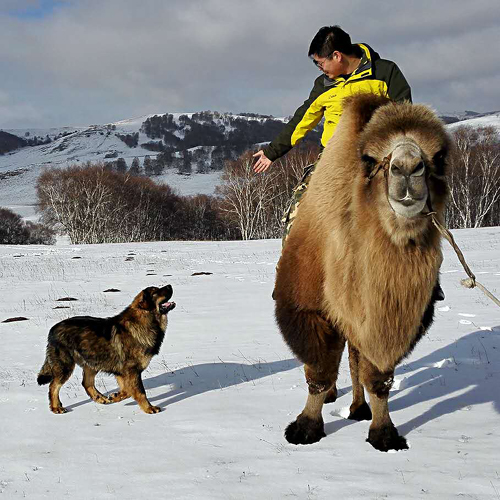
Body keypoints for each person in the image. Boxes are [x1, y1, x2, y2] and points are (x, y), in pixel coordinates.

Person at [257, 25, 444, 300]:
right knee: (297, 210)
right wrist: (272, 152)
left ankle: (428, 278)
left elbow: (407, 114)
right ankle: (288, 279)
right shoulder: (324, 85)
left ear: (337, 56)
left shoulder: (384, 72)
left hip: (379, 157)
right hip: (333, 159)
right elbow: (302, 120)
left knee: (415, 204)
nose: (319, 69)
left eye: (320, 63)